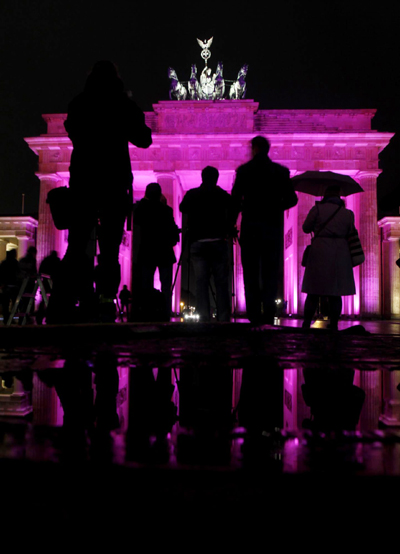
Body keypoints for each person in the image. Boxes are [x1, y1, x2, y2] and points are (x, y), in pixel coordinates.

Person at [46, 60, 152, 323]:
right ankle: (106, 301)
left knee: (77, 243)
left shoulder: (78, 103)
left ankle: (63, 301)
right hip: (114, 182)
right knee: (110, 246)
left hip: (84, 180)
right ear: (116, 78)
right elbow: (144, 139)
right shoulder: (122, 103)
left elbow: (73, 132)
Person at [232, 136, 298, 325]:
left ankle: (253, 314)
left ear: (253, 149)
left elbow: (235, 199)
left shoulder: (244, 171)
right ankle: (268, 314)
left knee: (250, 272)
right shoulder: (280, 172)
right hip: (272, 228)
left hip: (251, 227)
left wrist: (231, 224)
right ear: (268, 149)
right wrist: (277, 206)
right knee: (271, 272)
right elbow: (292, 199)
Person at [179, 166, 235, 322]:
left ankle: (204, 315)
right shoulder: (221, 194)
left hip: (198, 241)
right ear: (216, 178)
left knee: (200, 281)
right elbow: (235, 205)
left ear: (202, 177)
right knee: (221, 282)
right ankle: (224, 316)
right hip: (218, 241)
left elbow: (182, 207)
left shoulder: (192, 194)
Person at [301, 185, 357, 330]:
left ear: (325, 195)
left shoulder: (317, 210)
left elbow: (306, 228)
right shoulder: (348, 214)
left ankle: (306, 323)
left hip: (320, 249)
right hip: (340, 251)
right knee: (336, 292)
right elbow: (351, 231)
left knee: (313, 290)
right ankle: (334, 324)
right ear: (339, 196)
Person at [133, 182, 180, 320]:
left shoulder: (142, 208)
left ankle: (148, 312)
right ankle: (165, 312)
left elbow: (136, 219)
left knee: (146, 284)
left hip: (148, 250)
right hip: (164, 251)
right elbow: (172, 228)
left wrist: (143, 200)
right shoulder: (166, 210)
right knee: (166, 285)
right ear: (160, 194)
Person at [0, 249, 20, 324]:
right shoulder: (15, 263)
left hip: (6, 285)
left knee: (5, 303)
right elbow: (18, 273)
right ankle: (11, 317)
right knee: (14, 304)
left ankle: (6, 318)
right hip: (13, 285)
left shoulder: (4, 263)